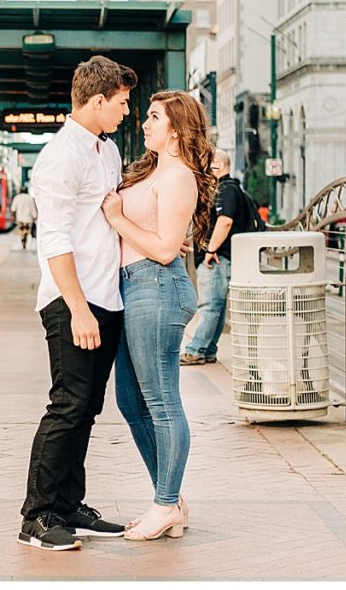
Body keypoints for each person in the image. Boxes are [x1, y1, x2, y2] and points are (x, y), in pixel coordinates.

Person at [18, 55, 138, 552]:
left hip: (104, 298)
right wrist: (79, 307)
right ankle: (37, 517)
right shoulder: (60, 157)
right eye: (122, 102)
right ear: (96, 100)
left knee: (87, 408)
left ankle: (68, 505)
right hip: (74, 302)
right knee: (66, 406)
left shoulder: (105, 152)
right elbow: (54, 240)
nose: (127, 111)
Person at [101, 90, 216, 541]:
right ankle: (170, 497)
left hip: (156, 287)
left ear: (176, 127)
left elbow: (167, 249)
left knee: (163, 402)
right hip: (137, 286)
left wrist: (117, 218)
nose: (144, 123)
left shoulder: (179, 176)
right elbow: (163, 235)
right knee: (131, 401)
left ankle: (165, 504)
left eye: (153, 117)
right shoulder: (155, 171)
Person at [180, 148, 244, 365]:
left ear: (217, 165)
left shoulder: (225, 190)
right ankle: (208, 349)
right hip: (221, 256)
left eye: (207, 163)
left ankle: (195, 349)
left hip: (217, 258)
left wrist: (210, 250)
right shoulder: (231, 189)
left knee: (209, 305)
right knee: (215, 306)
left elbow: (225, 221)